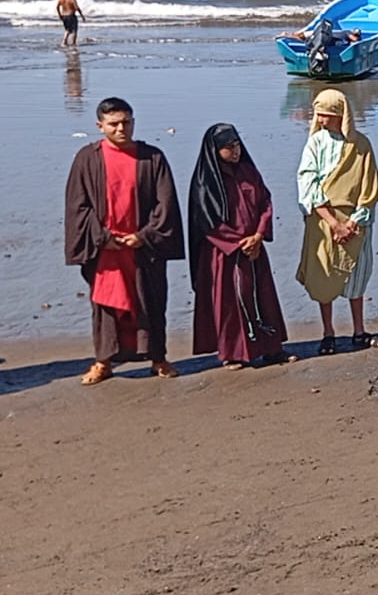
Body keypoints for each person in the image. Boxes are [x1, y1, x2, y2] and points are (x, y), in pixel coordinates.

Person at [65, 97, 185, 384]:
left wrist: (144, 236)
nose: (121, 129)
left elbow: (165, 203)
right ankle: (103, 362)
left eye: (126, 122)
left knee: (151, 303)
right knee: (106, 307)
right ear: (100, 126)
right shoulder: (87, 158)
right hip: (106, 248)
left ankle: (158, 358)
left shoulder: (152, 157)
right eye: (114, 124)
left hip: (141, 247)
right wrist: (102, 237)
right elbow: (77, 206)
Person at [188, 123, 293, 369]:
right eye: (228, 147)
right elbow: (207, 222)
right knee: (230, 302)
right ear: (215, 150)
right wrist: (237, 243)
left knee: (262, 296)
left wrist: (258, 235)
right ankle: (233, 353)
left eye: (236, 145)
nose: (234, 151)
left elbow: (265, 202)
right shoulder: (207, 182)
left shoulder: (248, 171)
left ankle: (271, 348)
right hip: (224, 254)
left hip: (254, 248)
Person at [295, 90, 378, 355]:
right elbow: (308, 183)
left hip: (356, 220)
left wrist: (355, 221)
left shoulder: (361, 145)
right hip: (323, 220)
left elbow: (370, 187)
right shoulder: (315, 144)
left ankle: (359, 331)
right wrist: (333, 223)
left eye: (327, 115)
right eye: (318, 115)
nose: (321, 120)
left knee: (357, 275)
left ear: (340, 115)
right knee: (324, 274)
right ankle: (328, 333)